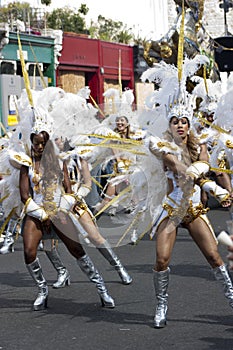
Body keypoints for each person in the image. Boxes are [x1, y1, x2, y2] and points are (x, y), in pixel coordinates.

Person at [148, 106, 233, 328]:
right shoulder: (163, 148)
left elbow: (204, 163)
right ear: (169, 126)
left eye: (183, 121)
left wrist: (206, 175)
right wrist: (216, 189)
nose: (179, 125)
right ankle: (161, 306)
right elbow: (183, 171)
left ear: (189, 125)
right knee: (161, 259)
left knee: (214, 257)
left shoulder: (200, 145)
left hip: (194, 210)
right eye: (175, 121)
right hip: (173, 209)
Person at [20, 128, 115, 311]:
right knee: (29, 252)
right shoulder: (26, 164)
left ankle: (101, 288)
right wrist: (42, 214)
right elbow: (25, 195)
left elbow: (68, 190)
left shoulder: (59, 161)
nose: (39, 147)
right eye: (36, 143)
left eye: (43, 143)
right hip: (37, 213)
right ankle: (42, 290)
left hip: (59, 211)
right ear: (31, 142)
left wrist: (60, 209)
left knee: (77, 250)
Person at [54, 135, 132, 285]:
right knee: (47, 244)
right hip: (56, 206)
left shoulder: (78, 157)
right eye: (55, 138)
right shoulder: (50, 160)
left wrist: (75, 197)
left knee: (95, 237)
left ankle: (119, 267)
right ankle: (61, 272)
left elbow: (87, 183)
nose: (57, 141)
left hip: (76, 204)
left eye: (60, 138)